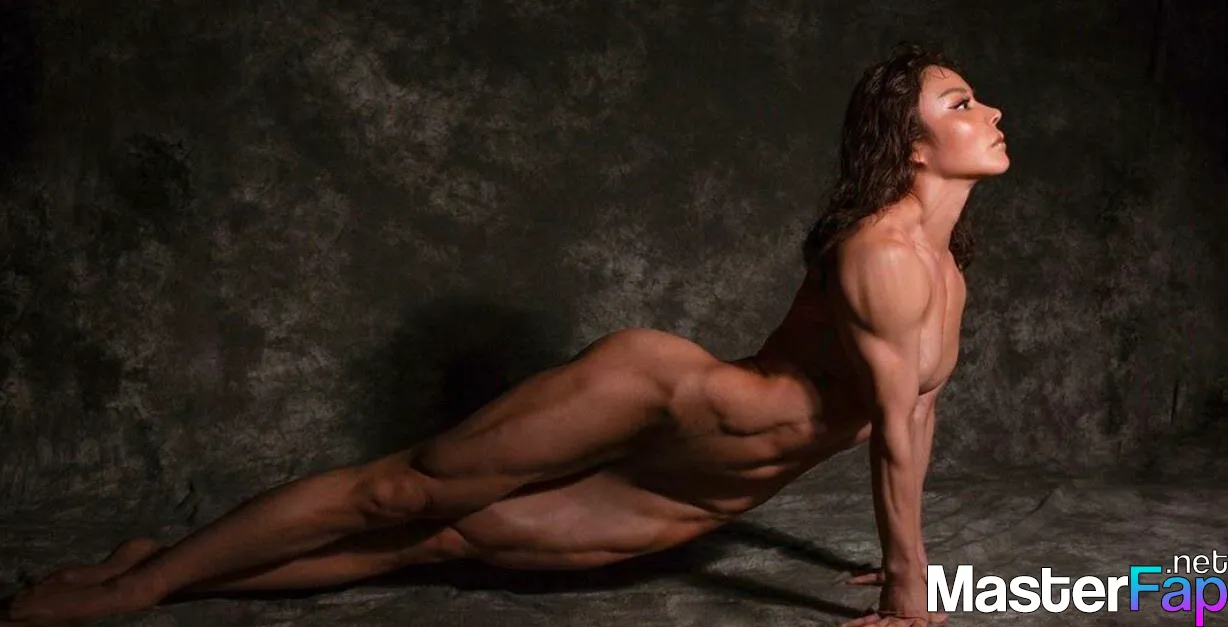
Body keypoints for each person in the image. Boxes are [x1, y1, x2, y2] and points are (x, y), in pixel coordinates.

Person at [3, 43, 1007, 627]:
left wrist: (902, 560)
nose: (990, 111)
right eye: (960, 102)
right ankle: (140, 585)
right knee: (406, 491)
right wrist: (907, 587)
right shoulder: (880, 256)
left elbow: (912, 412)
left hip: (701, 493)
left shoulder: (946, 269)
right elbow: (891, 426)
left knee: (436, 541)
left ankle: (167, 564)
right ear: (910, 144)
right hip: (671, 399)